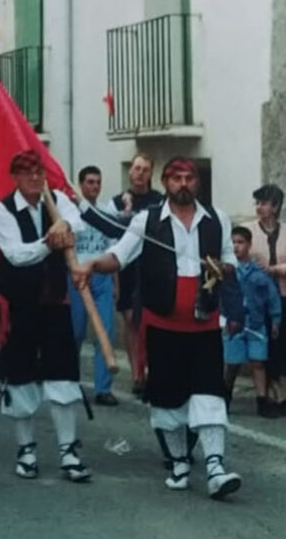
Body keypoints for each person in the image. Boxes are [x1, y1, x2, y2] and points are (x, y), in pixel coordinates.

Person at [76, 157, 242, 499]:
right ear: (166, 183)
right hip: (163, 326)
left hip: (204, 324)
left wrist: (222, 270)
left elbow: (231, 263)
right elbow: (118, 257)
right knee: (168, 400)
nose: (183, 183)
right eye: (176, 178)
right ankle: (179, 464)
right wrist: (92, 264)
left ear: (197, 182)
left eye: (189, 177)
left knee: (210, 395)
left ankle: (215, 467)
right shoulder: (146, 220)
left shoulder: (217, 220)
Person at [0, 150, 92, 483]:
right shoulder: (2, 210)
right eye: (27, 173)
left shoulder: (57, 199)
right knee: (20, 378)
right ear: (15, 178)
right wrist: (50, 243)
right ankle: (27, 450)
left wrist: (64, 224)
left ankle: (68, 451)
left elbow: (77, 222)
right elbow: (17, 255)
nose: (35, 178)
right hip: (20, 307)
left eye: (39, 172)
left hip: (54, 303)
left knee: (63, 375)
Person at [243, 184, 286, 411]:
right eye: (257, 203)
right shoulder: (247, 230)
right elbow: (242, 259)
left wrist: (272, 269)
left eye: (264, 203)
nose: (259, 207)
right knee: (261, 343)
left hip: (282, 295)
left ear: (275, 207)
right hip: (257, 299)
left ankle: (275, 387)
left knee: (280, 344)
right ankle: (269, 390)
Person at [111, 153, 163, 397]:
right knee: (132, 322)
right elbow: (113, 238)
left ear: (151, 173)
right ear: (130, 172)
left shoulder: (160, 202)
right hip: (128, 268)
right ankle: (136, 375)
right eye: (136, 168)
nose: (140, 173)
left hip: (152, 268)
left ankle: (153, 371)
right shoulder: (118, 202)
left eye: (145, 169)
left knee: (150, 324)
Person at [70, 166, 121, 406]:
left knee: (105, 331)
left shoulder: (103, 214)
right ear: (81, 185)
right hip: (77, 275)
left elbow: (114, 250)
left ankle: (103, 389)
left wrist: (115, 282)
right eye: (90, 182)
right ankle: (71, 382)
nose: (94, 187)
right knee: (75, 332)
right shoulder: (70, 214)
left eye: (98, 182)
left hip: (101, 275)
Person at [223, 226, 282, 417]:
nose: (236, 247)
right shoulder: (226, 271)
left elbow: (272, 296)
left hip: (256, 322)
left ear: (248, 245)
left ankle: (262, 401)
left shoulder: (260, 272)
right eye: (233, 242)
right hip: (234, 323)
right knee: (232, 364)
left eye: (240, 242)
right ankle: (225, 400)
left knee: (258, 362)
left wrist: (275, 319)